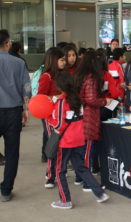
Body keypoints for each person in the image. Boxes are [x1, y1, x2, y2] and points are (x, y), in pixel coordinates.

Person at [48, 71, 109, 209]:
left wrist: (48, 117)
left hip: (65, 142)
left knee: (59, 171)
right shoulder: (78, 100)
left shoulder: (61, 102)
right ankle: (100, 193)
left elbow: (59, 124)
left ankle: (65, 200)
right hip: (79, 139)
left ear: (59, 86)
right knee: (81, 168)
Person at [0, 29, 31, 202]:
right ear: (7, 43)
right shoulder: (18, 62)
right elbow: (26, 87)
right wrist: (25, 109)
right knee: (12, 153)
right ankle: (6, 190)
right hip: (13, 112)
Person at [75, 49, 112, 190]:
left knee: (80, 150)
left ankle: (79, 178)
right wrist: (105, 101)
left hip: (79, 117)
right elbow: (91, 99)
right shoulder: (91, 78)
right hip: (89, 118)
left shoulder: (79, 76)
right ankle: (87, 182)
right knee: (87, 151)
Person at [38, 47, 66, 188]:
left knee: (62, 146)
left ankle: (59, 170)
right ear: (54, 60)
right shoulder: (46, 77)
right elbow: (40, 98)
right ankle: (50, 175)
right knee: (53, 145)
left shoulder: (62, 75)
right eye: (61, 60)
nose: (64, 62)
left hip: (63, 115)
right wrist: (56, 97)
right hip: (50, 117)